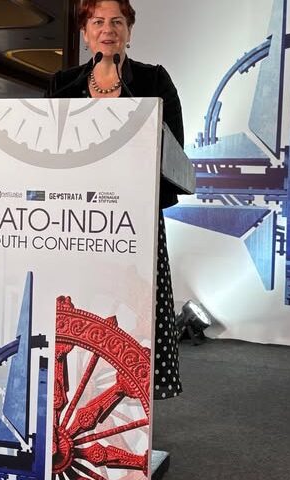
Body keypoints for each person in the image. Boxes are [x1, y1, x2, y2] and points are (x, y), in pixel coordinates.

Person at [50, 0, 185, 400]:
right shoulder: (62, 84)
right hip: (75, 217)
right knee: (77, 304)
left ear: (129, 30)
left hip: (133, 219)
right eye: (98, 21)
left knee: (134, 307)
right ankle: (68, 394)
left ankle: (133, 405)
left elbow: (173, 151)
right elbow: (48, 150)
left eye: (117, 21)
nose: (107, 29)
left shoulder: (153, 80)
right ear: (84, 32)